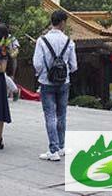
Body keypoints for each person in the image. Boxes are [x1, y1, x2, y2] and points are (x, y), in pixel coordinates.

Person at [33, 10, 77, 161]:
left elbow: (37, 63)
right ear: (63, 22)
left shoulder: (42, 41)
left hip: (46, 82)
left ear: (52, 21)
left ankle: (53, 150)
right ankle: (62, 146)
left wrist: (42, 73)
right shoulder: (69, 41)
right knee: (62, 114)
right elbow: (74, 66)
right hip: (64, 82)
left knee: (50, 115)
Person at [0, 9, 20, 100]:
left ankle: (14, 91)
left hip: (2, 56)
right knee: (2, 74)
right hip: (1, 55)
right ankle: (13, 91)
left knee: (2, 74)